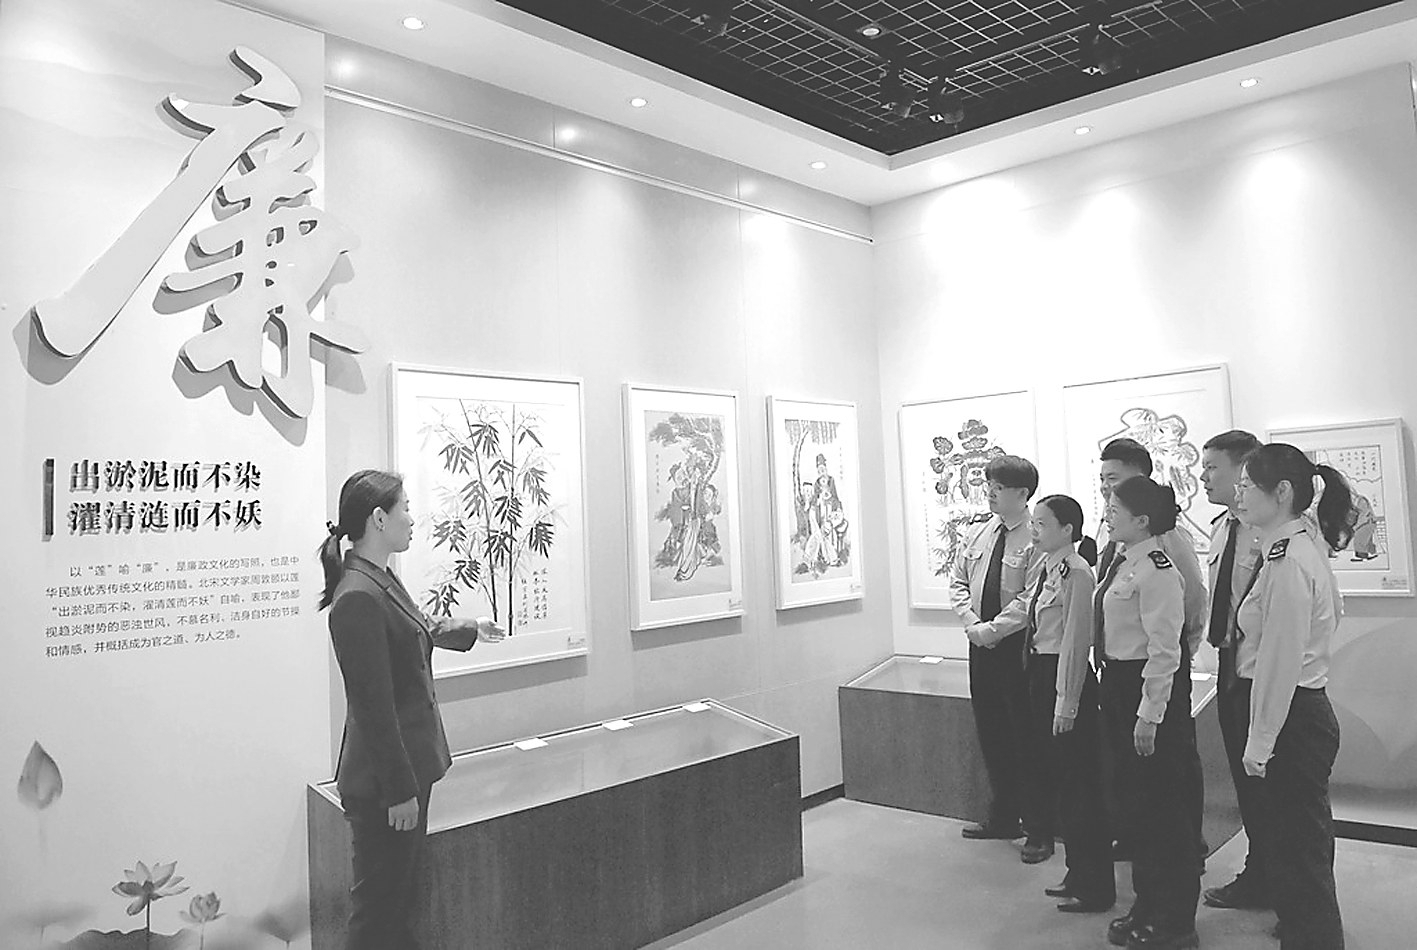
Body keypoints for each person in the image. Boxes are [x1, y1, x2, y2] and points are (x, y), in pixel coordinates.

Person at [318, 469, 505, 950]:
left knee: (398, 905)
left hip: (401, 773)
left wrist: (470, 628)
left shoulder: (376, 579)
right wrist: (400, 791)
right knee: (378, 913)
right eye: (405, 508)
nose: (412, 518)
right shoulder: (356, 596)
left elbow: (413, 626)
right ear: (379, 519)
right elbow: (373, 709)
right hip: (385, 786)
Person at [1234, 444, 1354, 950]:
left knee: (1300, 844)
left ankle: (1314, 938)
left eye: (1247, 486)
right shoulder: (1293, 545)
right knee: (1297, 840)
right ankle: (1307, 929)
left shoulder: (1289, 558)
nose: (1238, 495)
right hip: (1298, 711)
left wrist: (1260, 741)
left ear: (1281, 492)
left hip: (1294, 715)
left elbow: (1280, 661)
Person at [1098, 477, 1204, 950]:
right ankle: (1147, 903)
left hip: (1149, 692)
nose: (1107, 514)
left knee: (1166, 810)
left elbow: (1166, 651)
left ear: (1142, 520)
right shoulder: (1127, 562)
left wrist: (1150, 714)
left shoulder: (1158, 569)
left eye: (1115, 508)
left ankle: (1176, 921)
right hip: (1121, 686)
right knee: (1137, 806)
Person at [950, 455, 1047, 860]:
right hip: (980, 644)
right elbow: (958, 581)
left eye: (1000, 487)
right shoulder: (979, 532)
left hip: (1017, 647)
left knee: (1026, 737)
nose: (990, 492)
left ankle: (1039, 828)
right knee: (992, 731)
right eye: (989, 484)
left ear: (1022, 493)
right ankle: (1003, 814)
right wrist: (973, 623)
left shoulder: (1038, 536)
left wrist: (993, 630)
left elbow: (1031, 597)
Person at [1023, 494, 1115, 912]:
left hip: (1064, 678)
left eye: (1042, 524)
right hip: (1043, 674)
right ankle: (1077, 873)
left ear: (1067, 530)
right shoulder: (1048, 567)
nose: (1034, 530)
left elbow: (1077, 641)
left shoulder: (1077, 572)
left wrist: (1067, 701)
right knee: (1064, 783)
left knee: (1081, 788)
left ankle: (1095, 885)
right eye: (1034, 522)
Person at [1197, 430, 1272, 913]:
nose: (1203, 477)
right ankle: (1261, 873)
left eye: (1212, 468)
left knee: (1275, 786)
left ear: (1244, 469)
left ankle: (1286, 885)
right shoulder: (1222, 527)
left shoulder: (1270, 533)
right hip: (1230, 665)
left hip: (1262, 669)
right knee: (1247, 783)